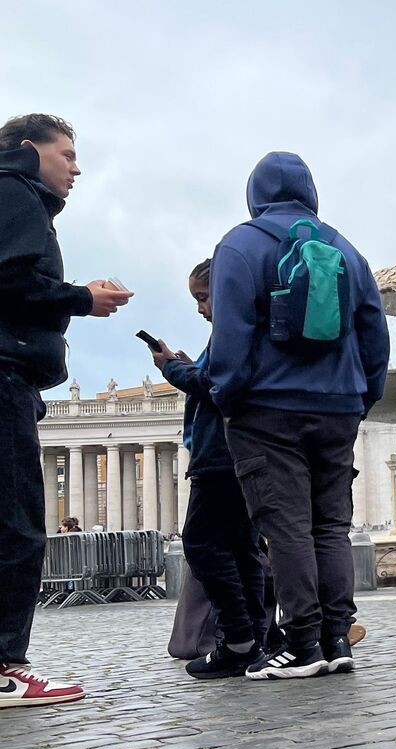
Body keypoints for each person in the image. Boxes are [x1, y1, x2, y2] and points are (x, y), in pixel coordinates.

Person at [209, 151, 389, 680]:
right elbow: (374, 333)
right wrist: (361, 396)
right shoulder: (345, 248)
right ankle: (338, 637)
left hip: (268, 407)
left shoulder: (239, 245)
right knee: (331, 526)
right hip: (338, 406)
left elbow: (231, 334)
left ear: (255, 193)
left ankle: (302, 643)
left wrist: (228, 397)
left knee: (286, 527)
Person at [0, 114, 133, 706]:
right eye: (69, 155)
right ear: (30, 151)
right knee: (16, 524)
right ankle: (5, 666)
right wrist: (82, 297)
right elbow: (11, 281)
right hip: (5, 373)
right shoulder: (14, 191)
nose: (77, 169)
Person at [153, 259, 271, 679]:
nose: (201, 308)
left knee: (202, 544)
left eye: (203, 297)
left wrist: (172, 368)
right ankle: (254, 638)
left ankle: (238, 637)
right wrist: (189, 367)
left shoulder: (234, 331)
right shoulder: (252, 328)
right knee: (242, 549)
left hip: (220, 455)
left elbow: (215, 385)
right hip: (238, 451)